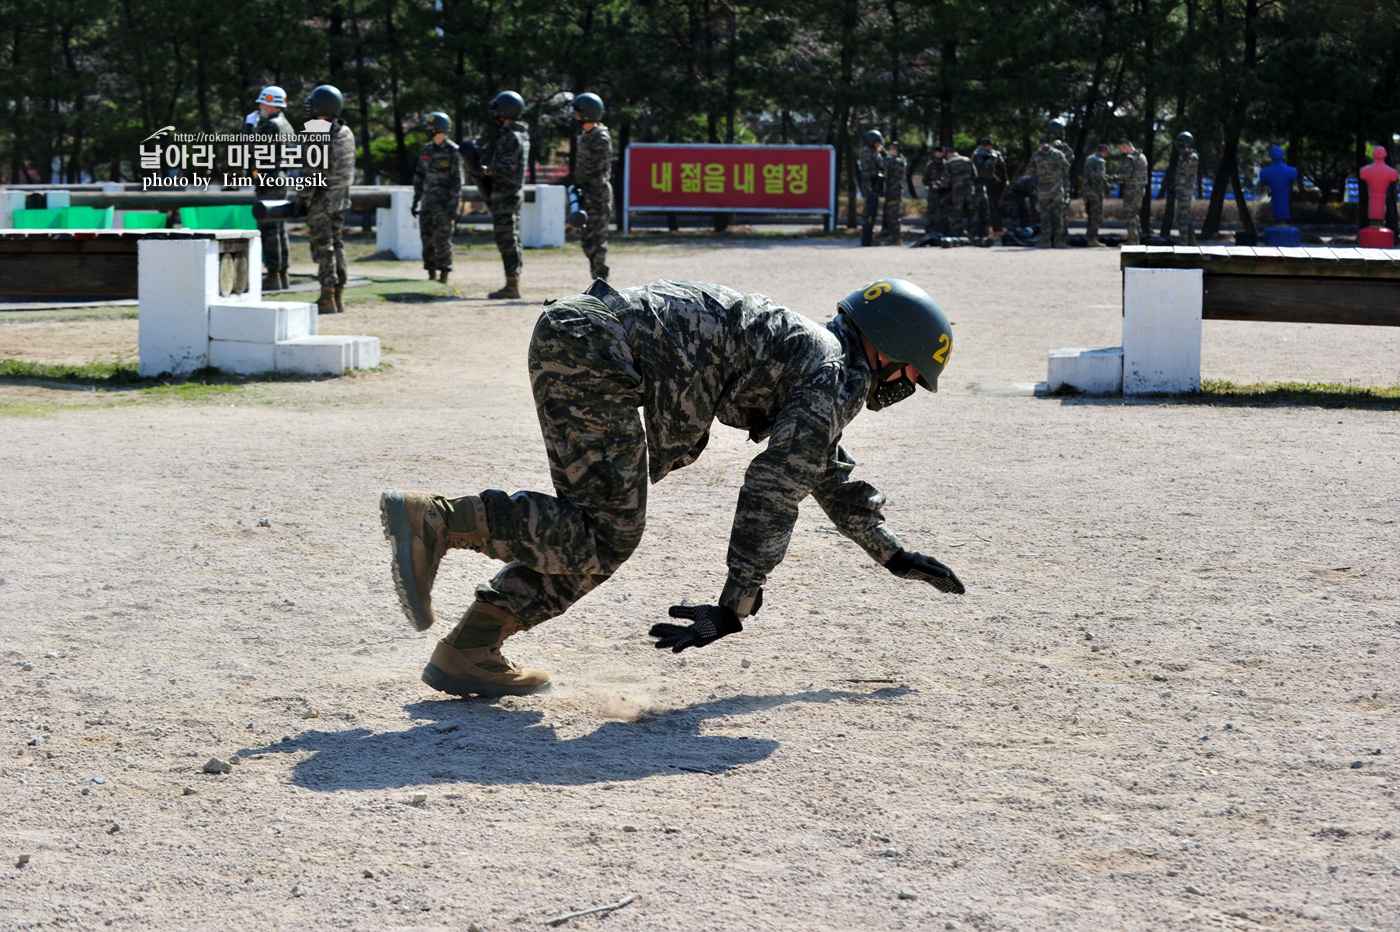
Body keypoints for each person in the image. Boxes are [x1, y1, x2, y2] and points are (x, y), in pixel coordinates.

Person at [379, 277, 965, 698]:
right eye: (915, 373)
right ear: (892, 348)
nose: (909, 386)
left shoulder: (815, 355)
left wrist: (890, 554)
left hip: (583, 337)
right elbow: (776, 485)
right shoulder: (835, 373)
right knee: (609, 532)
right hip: (599, 351)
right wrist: (738, 601)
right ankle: (438, 520)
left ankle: (472, 649)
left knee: (597, 532)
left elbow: (821, 468)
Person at [299, 84, 355, 313]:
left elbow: (311, 174)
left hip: (322, 200)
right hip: (342, 197)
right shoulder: (346, 132)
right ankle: (339, 295)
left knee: (324, 247)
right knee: (337, 244)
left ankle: (327, 296)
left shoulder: (316, 133)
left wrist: (302, 199)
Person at [480, 91, 530, 299]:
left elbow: (506, 168)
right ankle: (512, 282)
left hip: (505, 196)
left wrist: (485, 171)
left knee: (506, 239)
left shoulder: (510, 137)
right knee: (511, 238)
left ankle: (512, 285)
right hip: (512, 194)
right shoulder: (521, 135)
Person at [412, 112, 465, 285]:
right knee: (426, 239)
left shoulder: (453, 151)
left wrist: (454, 206)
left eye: (430, 127)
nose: (427, 129)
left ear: (439, 128)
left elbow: (458, 181)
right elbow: (419, 175)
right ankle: (431, 273)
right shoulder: (427, 149)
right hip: (427, 203)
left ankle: (444, 274)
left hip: (444, 205)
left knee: (442, 240)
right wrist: (416, 199)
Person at [252, 86, 295, 291]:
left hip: (268, 178)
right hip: (281, 176)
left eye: (262, 103)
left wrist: (248, 127)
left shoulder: (270, 125)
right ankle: (282, 274)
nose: (260, 107)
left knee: (268, 229)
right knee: (279, 228)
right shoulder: (286, 124)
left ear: (270, 103)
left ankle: (272, 275)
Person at [571, 92, 613, 280]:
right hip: (586, 194)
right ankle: (596, 280)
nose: (574, 115)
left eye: (578, 112)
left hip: (598, 195)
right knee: (587, 242)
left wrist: (589, 194)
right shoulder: (585, 137)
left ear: (588, 113)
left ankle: (601, 283)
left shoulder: (600, 139)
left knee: (598, 241)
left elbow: (598, 172)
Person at [1028, 137, 1070, 247]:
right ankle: (1059, 241)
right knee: (1058, 215)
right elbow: (1066, 168)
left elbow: (1029, 172)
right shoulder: (1058, 154)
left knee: (1045, 215)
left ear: (1040, 144)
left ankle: (1046, 241)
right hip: (1057, 189)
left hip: (1043, 190)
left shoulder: (1036, 155)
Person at [971, 137, 1008, 237]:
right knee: (981, 208)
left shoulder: (990, 154)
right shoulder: (978, 155)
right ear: (983, 146)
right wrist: (992, 158)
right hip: (979, 184)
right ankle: (978, 232)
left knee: (990, 208)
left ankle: (993, 230)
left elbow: (1000, 168)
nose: (990, 149)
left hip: (989, 183)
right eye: (988, 147)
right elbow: (982, 170)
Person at [1081, 142, 1115, 246]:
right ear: (1104, 152)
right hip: (1096, 192)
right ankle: (1092, 239)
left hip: (1087, 191)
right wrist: (1109, 182)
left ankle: (1089, 238)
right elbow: (1100, 177)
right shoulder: (1100, 161)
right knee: (1096, 216)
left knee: (1090, 215)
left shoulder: (1089, 159)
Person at [1117, 138, 1149, 246]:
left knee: (1129, 215)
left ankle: (1133, 240)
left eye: (1121, 149)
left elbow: (1125, 175)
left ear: (1126, 146)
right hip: (1140, 190)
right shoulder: (1142, 156)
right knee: (1134, 214)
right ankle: (1135, 239)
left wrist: (1115, 178)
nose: (1122, 151)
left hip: (1131, 190)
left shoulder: (1131, 158)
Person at [857, 130, 885, 247]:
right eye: (878, 142)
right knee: (868, 210)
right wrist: (869, 186)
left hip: (875, 183)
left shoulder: (874, 152)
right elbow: (866, 172)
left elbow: (885, 162)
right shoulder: (866, 153)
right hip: (870, 184)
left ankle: (870, 236)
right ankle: (866, 236)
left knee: (872, 211)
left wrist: (881, 152)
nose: (880, 144)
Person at [1171, 131, 1199, 246]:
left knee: (1182, 215)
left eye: (1181, 143)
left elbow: (1183, 169)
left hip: (1186, 190)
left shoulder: (1192, 157)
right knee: (1186, 215)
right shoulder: (1184, 156)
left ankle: (1183, 241)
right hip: (1182, 189)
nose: (1179, 145)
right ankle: (1192, 241)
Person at [942, 147, 975, 236]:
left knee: (958, 212)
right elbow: (974, 175)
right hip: (969, 189)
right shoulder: (968, 160)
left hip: (957, 190)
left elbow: (946, 179)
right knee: (972, 211)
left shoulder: (949, 163)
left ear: (949, 154)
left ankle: (958, 233)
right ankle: (973, 233)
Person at [880, 140, 907, 245]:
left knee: (894, 216)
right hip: (892, 191)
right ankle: (894, 238)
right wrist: (883, 152)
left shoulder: (899, 160)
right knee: (890, 215)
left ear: (896, 150)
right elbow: (888, 159)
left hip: (894, 192)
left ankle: (896, 238)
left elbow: (884, 163)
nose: (891, 151)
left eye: (892, 149)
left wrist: (877, 154)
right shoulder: (897, 159)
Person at [922, 146, 948, 234]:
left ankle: (944, 233)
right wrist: (931, 183)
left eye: (941, 152)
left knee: (944, 214)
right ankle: (930, 233)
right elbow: (924, 180)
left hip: (944, 193)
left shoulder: (947, 165)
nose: (940, 154)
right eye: (938, 152)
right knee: (931, 214)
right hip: (933, 194)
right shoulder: (930, 165)